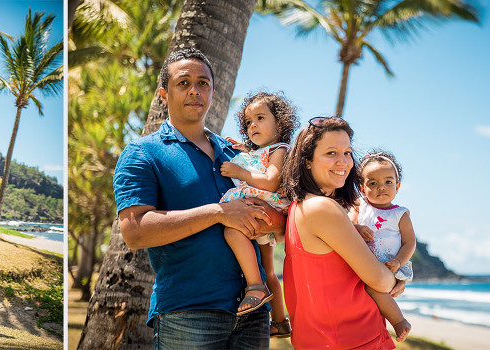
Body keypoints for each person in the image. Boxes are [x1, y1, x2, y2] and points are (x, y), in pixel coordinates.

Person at [113, 48, 285, 349]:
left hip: (254, 312)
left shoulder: (240, 155)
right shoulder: (142, 153)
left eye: (203, 83)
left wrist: (268, 220)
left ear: (213, 92)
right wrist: (219, 213)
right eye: (183, 82)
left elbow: (281, 222)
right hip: (188, 311)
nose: (195, 90)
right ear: (163, 94)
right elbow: (135, 232)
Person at [281, 116, 401, 349]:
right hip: (352, 339)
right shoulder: (322, 207)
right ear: (307, 161)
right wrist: (396, 279)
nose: (343, 162)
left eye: (347, 153)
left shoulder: (299, 207)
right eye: (331, 153)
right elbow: (379, 280)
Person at [219, 91, 297, 338]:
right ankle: (281, 322)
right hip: (265, 208)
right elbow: (260, 161)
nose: (253, 125)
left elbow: (271, 181)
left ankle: (255, 287)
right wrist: (246, 150)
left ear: (280, 123)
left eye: (260, 118)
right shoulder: (266, 149)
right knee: (268, 269)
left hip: (268, 205)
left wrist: (239, 171)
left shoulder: (282, 150)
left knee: (231, 230)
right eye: (249, 122)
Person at [349, 150, 415, 342]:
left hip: (388, 264)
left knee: (374, 289)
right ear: (362, 188)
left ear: (398, 186)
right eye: (373, 183)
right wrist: (359, 228)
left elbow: (409, 242)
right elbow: (348, 224)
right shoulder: (359, 206)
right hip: (364, 262)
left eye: (388, 182)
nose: (381, 187)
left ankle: (399, 321)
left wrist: (398, 261)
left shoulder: (400, 214)